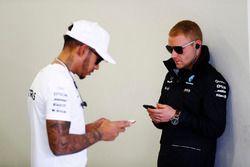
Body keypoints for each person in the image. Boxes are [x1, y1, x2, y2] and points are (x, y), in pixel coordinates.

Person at [27, 20, 132, 167]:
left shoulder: (47, 74)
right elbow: (59, 145)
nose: (97, 67)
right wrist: (100, 134)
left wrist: (93, 127)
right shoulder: (58, 82)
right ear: (83, 50)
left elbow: (56, 132)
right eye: (98, 60)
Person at [146, 20, 229, 167]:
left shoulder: (213, 80)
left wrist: (176, 115)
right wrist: (158, 118)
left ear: (197, 45)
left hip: (195, 159)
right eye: (169, 49)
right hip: (166, 157)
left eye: (178, 49)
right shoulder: (172, 75)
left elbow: (215, 128)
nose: (173, 55)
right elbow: (167, 120)